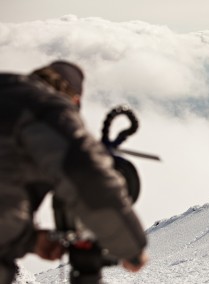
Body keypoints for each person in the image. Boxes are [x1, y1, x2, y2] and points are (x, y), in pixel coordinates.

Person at [0, 61, 147, 283]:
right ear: (75, 100)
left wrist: (29, 241)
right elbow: (85, 173)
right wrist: (130, 248)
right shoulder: (43, 107)